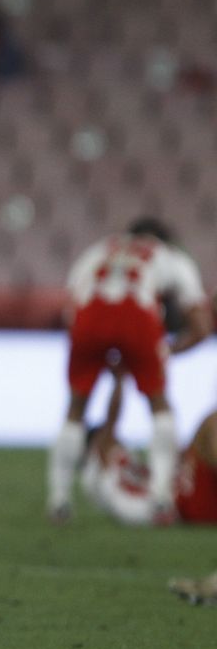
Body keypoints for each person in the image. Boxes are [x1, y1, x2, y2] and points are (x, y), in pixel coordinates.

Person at [47, 222, 209, 523]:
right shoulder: (170, 256)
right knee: (159, 405)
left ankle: (59, 499)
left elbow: (72, 307)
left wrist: (102, 354)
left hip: (89, 315)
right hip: (137, 313)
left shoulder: (99, 249)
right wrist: (164, 353)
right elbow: (202, 326)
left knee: (76, 408)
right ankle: (161, 497)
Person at [73, 366, 217, 528]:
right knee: (211, 422)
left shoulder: (107, 475)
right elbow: (112, 418)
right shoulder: (101, 460)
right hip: (174, 505)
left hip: (174, 503)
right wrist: (119, 379)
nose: (117, 438)